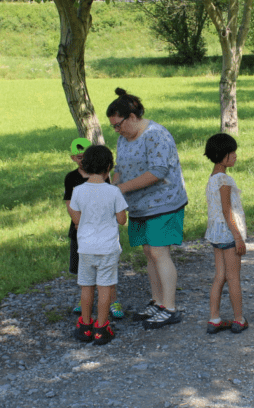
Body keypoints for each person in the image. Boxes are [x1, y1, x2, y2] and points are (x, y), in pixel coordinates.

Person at [106, 88, 188, 329]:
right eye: (113, 127)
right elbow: (119, 167)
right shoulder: (124, 138)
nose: (117, 130)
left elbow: (158, 172)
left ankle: (170, 308)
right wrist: (112, 187)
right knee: (149, 254)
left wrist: (121, 189)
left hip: (164, 202)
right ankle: (158, 302)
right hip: (139, 205)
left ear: (132, 117)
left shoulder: (155, 135)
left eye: (118, 125)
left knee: (159, 253)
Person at [68, 145, 129, 345]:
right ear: (109, 167)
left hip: (85, 247)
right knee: (104, 288)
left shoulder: (77, 191)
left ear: (84, 165)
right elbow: (122, 220)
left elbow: (76, 218)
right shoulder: (113, 192)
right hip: (108, 248)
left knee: (86, 288)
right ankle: (101, 328)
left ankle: (85, 326)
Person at [203, 133, 249, 334]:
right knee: (233, 277)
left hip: (216, 234)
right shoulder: (224, 179)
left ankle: (214, 318)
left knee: (220, 275)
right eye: (232, 152)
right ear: (222, 155)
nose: (235, 156)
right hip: (228, 234)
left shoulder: (212, 178)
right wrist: (237, 236)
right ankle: (239, 318)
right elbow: (226, 210)